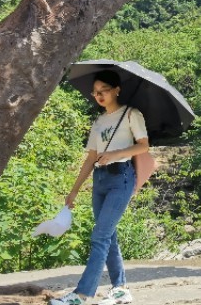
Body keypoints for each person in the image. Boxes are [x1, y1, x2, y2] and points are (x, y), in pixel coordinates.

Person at [51, 71, 149, 305]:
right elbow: (90, 158)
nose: (99, 95)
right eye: (95, 92)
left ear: (117, 89)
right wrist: (74, 190)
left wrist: (115, 153)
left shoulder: (131, 114)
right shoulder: (98, 122)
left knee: (100, 236)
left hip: (122, 177)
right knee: (108, 234)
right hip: (100, 180)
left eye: (104, 89)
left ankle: (82, 295)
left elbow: (143, 146)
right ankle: (120, 289)